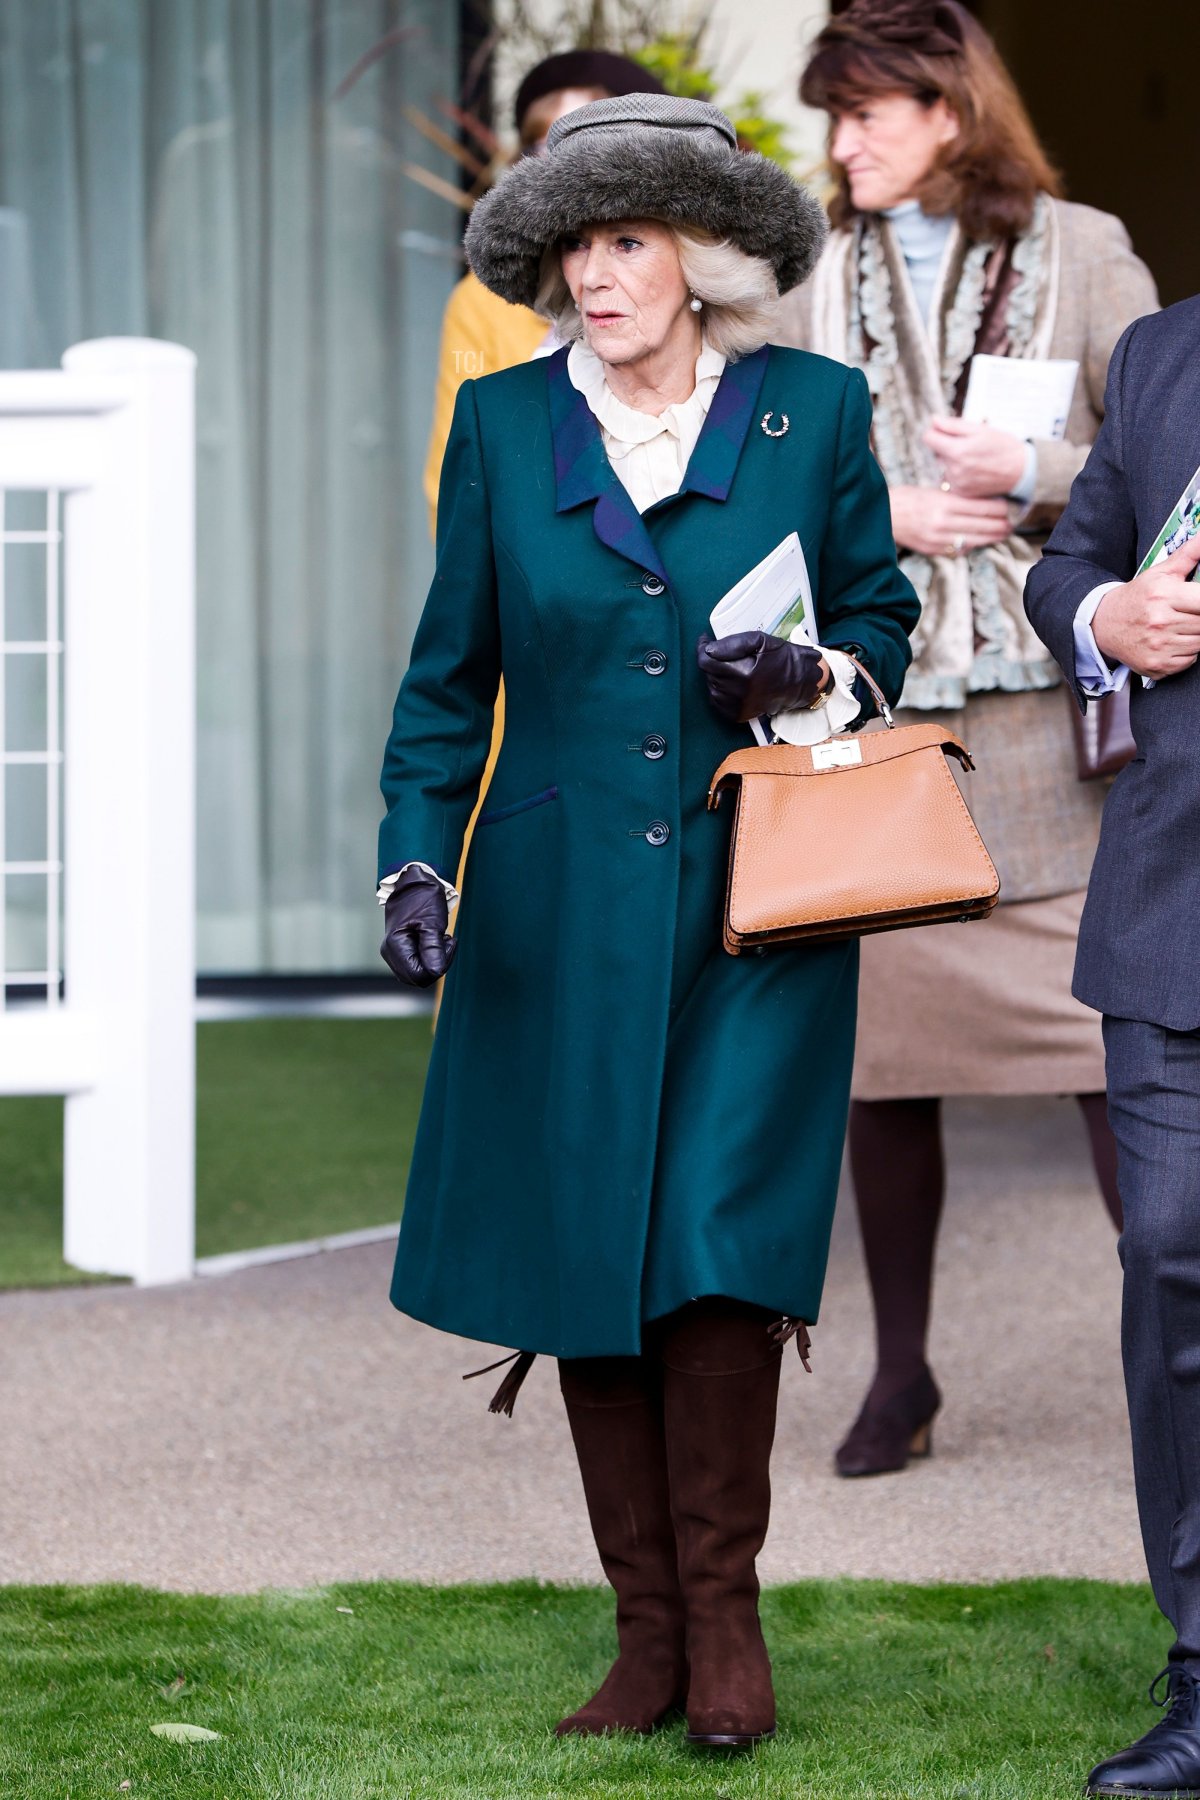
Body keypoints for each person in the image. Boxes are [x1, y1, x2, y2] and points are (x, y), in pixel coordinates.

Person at [376, 94, 919, 1750]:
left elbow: (881, 616)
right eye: (572, 249)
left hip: (761, 902)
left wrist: (817, 672)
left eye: (626, 241)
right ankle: (648, 1639)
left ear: (705, 255)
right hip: (556, 916)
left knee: (716, 1245)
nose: (593, 277)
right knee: (590, 1241)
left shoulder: (814, 413)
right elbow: (447, 680)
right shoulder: (502, 425)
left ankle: (728, 1621)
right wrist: (416, 862)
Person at [775, 0, 1158, 1478]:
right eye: (833, 116)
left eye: (865, 112)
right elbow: (756, 460)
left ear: (950, 111)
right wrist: (884, 511)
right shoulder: (803, 268)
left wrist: (1036, 468)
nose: (841, 144)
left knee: (1113, 1058)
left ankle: (1176, 1365)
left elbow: (1166, 452)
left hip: (1053, 733)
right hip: (879, 721)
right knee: (888, 1069)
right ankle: (902, 1376)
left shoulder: (1088, 248)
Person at [1025, 295, 1200, 1797]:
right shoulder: (1160, 354)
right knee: (1171, 1260)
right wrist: (1107, 619)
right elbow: (1066, 563)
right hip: (1174, 913)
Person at [422, 49, 666, 533]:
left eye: (585, 142)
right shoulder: (483, 301)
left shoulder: (697, 285)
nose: (560, 164)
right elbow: (456, 478)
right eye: (542, 145)